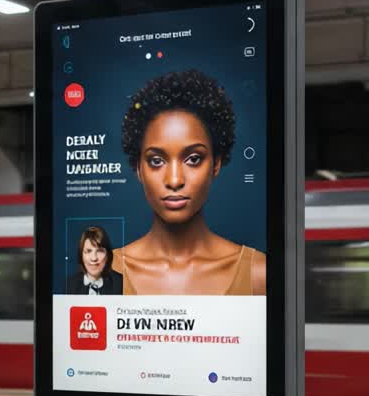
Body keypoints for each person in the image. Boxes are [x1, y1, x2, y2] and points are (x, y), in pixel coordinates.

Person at [111, 69, 266, 295]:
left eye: (193, 159)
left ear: (216, 164)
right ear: (138, 169)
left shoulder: (258, 274)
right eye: (156, 160)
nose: (174, 180)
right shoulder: (104, 272)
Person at [64, 225, 123, 295]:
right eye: (88, 251)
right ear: (81, 255)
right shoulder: (69, 284)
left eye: (100, 251)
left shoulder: (120, 282)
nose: (94, 258)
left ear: (108, 255)